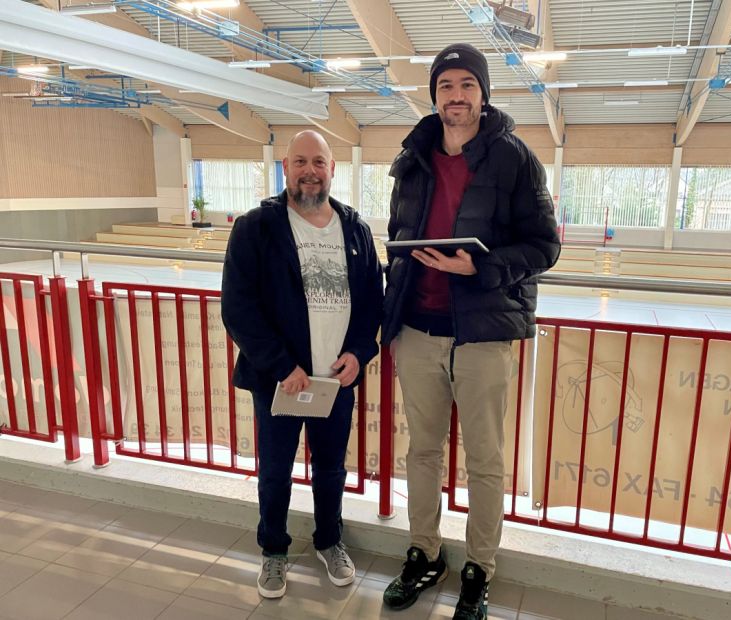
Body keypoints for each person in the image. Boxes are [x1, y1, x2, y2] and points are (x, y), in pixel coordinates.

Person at [381, 43, 561, 619]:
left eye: (466, 85)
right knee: (423, 452)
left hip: (481, 330)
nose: (455, 96)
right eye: (445, 86)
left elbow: (545, 246)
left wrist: (479, 267)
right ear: (433, 95)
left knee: (484, 458)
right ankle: (424, 553)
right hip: (418, 327)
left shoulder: (515, 158)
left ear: (483, 93)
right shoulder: (413, 156)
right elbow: (399, 231)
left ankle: (480, 566)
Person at [221, 130, 383, 599]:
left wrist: (358, 352)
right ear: (285, 167)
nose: (309, 171)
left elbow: (373, 299)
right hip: (281, 381)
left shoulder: (354, 229)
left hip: (335, 380)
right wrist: (279, 366)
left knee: (331, 468)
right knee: (274, 469)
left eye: (319, 162)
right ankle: (273, 550)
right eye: (300, 162)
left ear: (333, 169)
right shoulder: (257, 226)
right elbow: (238, 306)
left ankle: (329, 541)